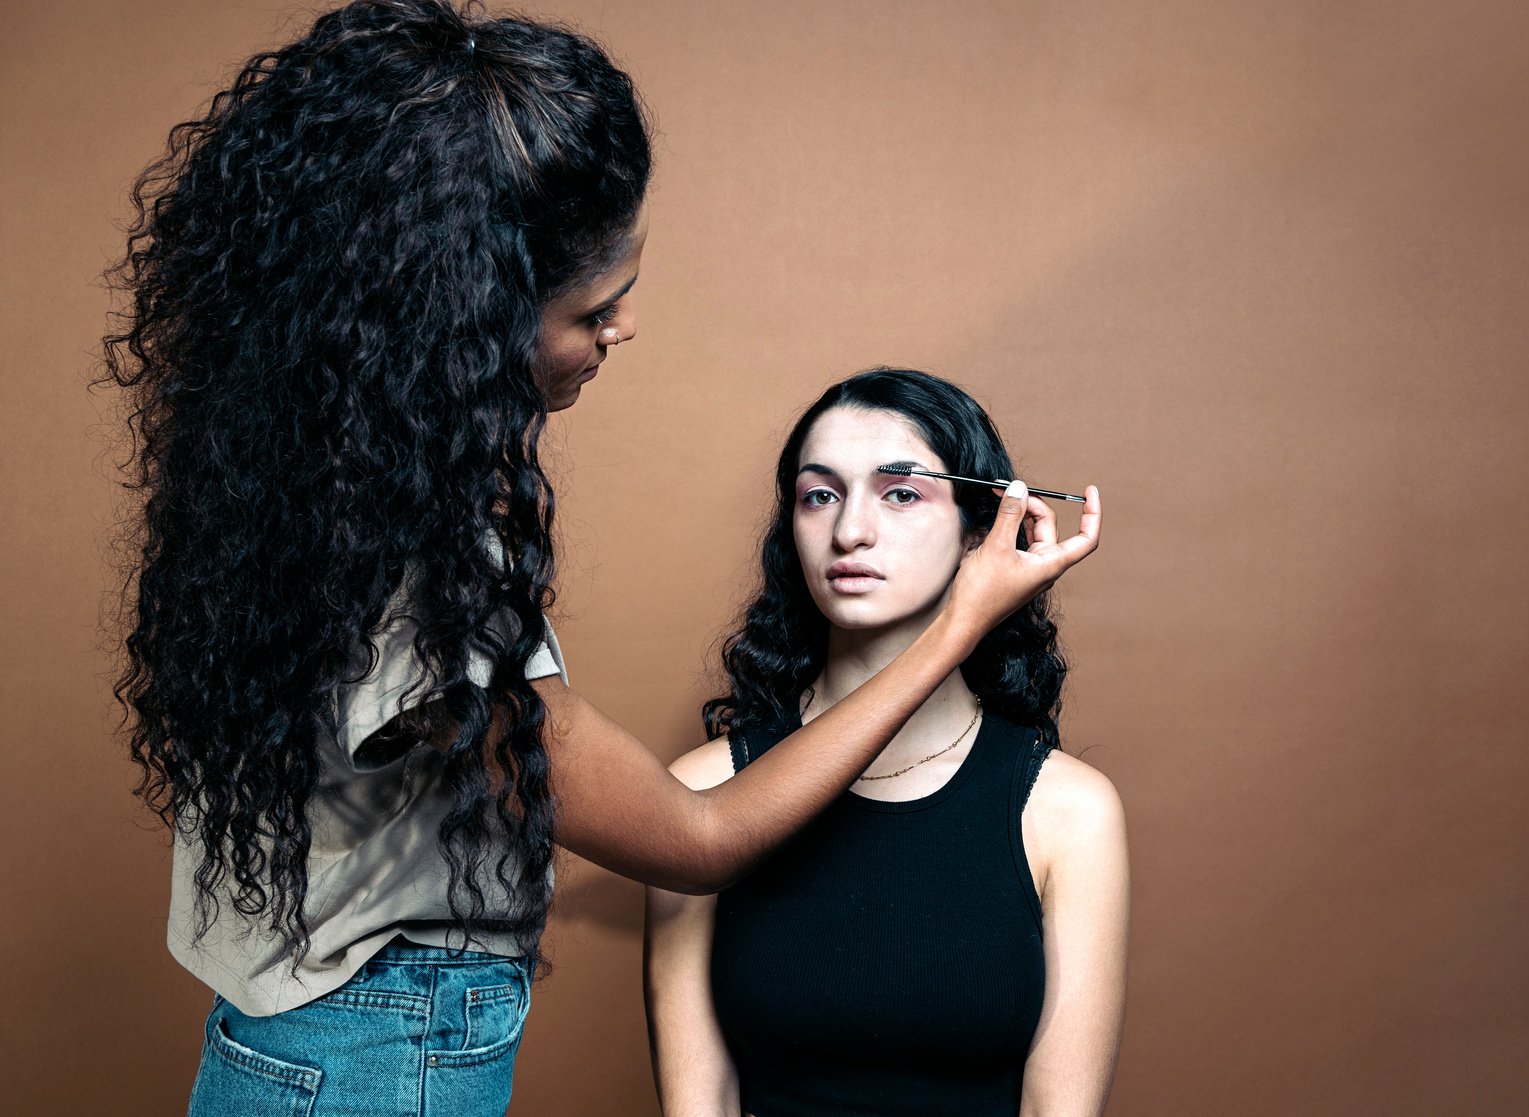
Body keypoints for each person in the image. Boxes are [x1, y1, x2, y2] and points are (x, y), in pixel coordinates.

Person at [102, 3, 1100, 1114]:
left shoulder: (309, 486)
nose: (618, 330)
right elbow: (701, 840)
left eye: (898, 491)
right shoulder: (417, 574)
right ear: (467, 320)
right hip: (374, 1059)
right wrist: (962, 622)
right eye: (594, 306)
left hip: (293, 1045)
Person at [645, 369, 1128, 1117]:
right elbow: (693, 1104)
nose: (849, 531)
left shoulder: (1068, 812)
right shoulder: (700, 795)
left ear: (983, 527)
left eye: (900, 492)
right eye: (820, 494)